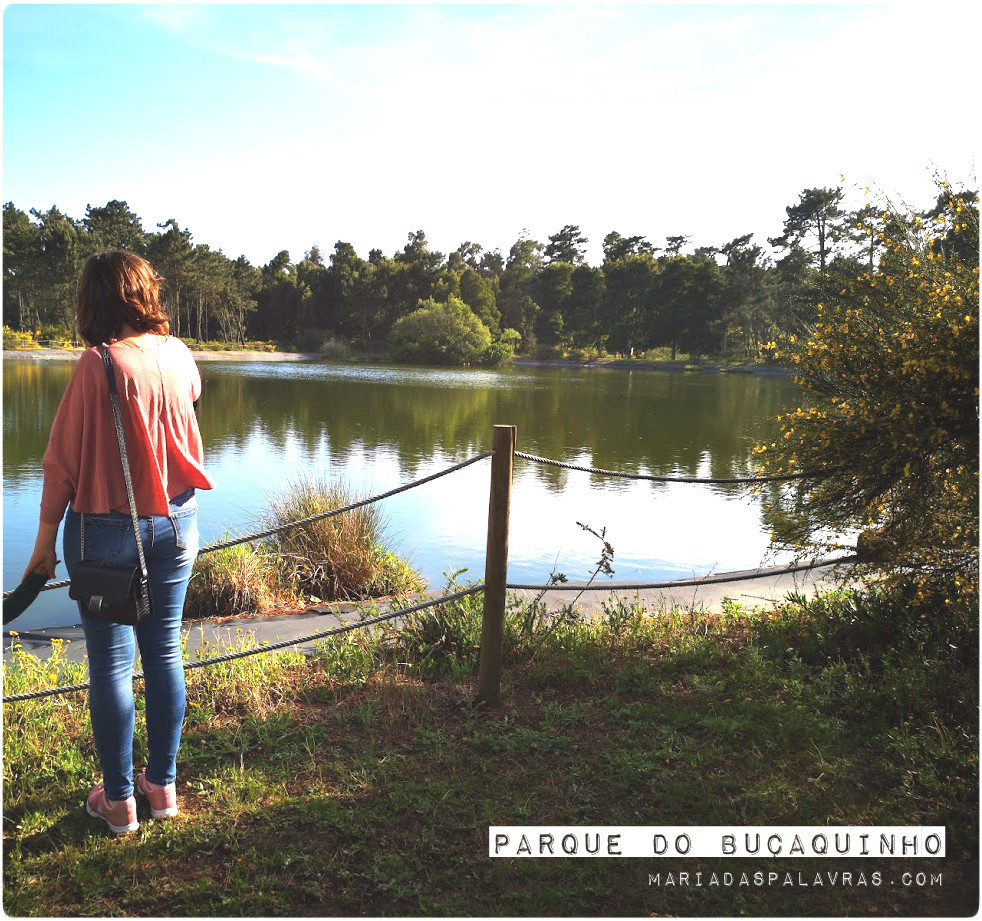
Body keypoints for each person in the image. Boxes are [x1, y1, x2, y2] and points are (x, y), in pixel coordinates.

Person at [22, 250, 215, 834]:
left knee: (110, 661)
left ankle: (119, 801)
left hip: (106, 527)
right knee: (163, 653)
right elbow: (189, 409)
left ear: (97, 300)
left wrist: (42, 546)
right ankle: (164, 786)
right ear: (143, 292)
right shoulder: (180, 353)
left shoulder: (98, 363)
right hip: (178, 521)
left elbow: (60, 466)